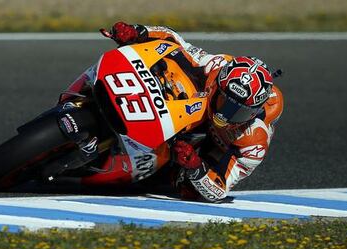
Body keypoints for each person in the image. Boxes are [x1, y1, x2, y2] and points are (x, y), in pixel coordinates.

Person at [105, 22, 284, 202]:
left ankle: (148, 166)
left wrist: (195, 166)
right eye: (224, 101)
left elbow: (220, 189)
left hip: (211, 147)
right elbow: (175, 41)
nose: (224, 115)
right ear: (219, 83)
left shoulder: (254, 143)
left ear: (253, 113)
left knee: (189, 190)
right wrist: (138, 32)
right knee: (169, 62)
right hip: (196, 103)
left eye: (238, 112)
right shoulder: (216, 66)